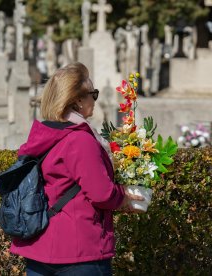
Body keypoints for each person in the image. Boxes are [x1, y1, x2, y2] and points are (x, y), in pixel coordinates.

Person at [10, 62, 143, 275]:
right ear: (78, 100)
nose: (94, 100)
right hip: (79, 250)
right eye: (93, 94)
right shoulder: (80, 140)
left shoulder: (43, 134)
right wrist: (125, 197)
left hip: (41, 247)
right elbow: (101, 193)